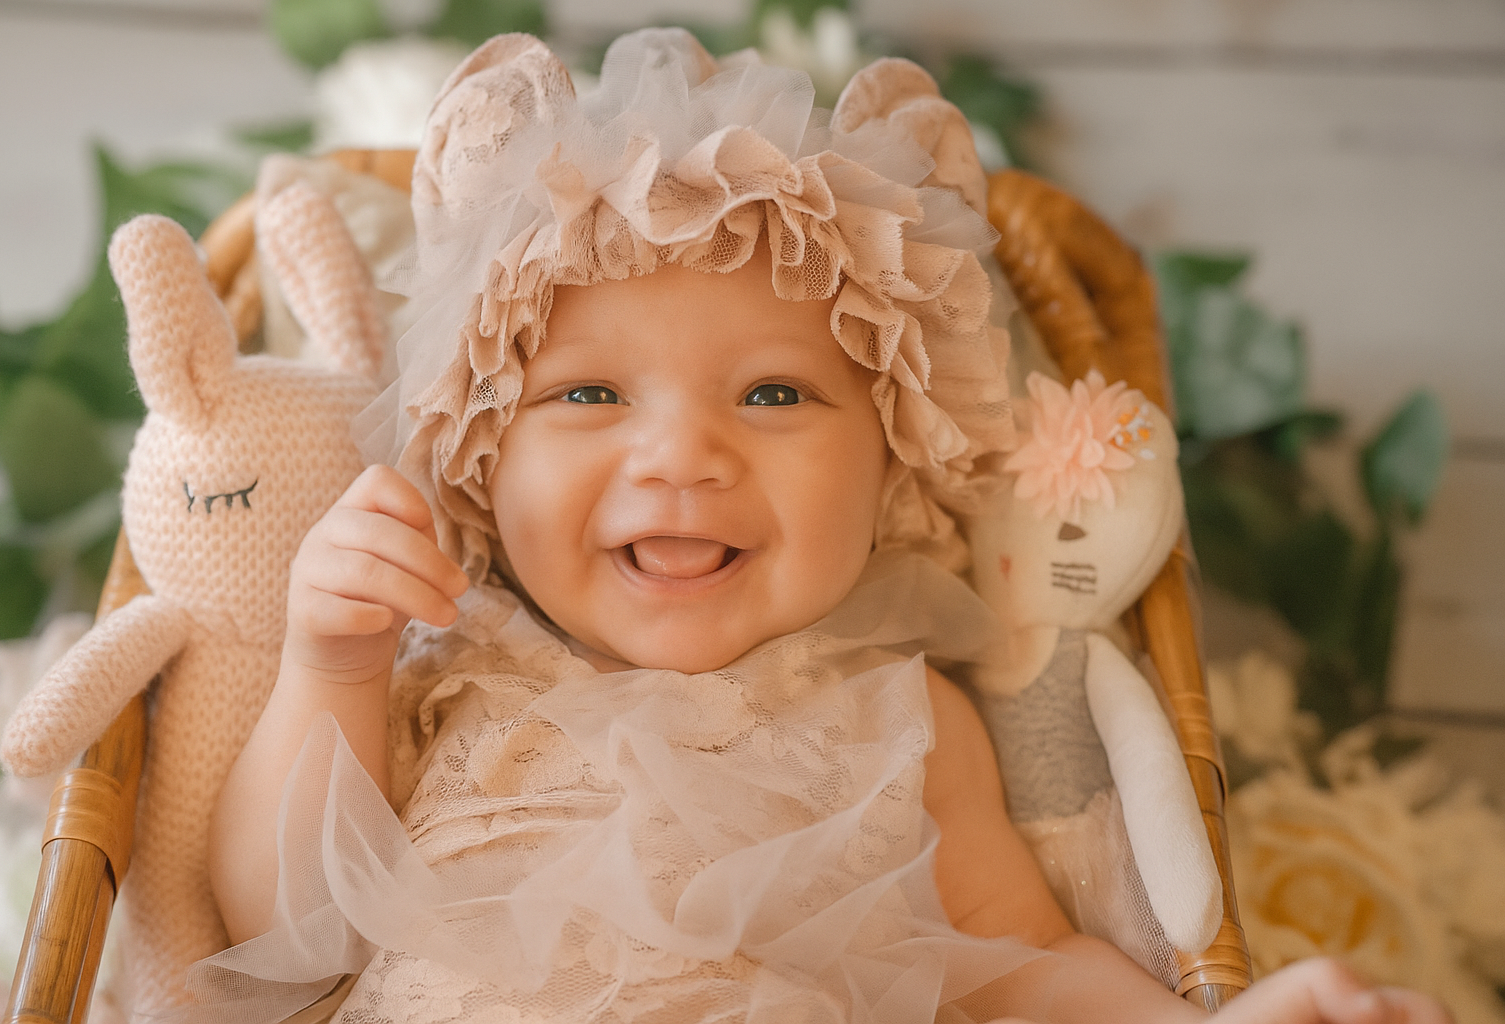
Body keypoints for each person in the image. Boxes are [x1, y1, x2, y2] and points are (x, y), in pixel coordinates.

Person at [202, 28, 1450, 1024]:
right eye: (588, 394)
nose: (685, 452)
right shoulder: (445, 662)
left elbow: (1024, 966)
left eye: (775, 393)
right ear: (480, 452)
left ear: (893, 460)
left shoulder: (905, 716)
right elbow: (280, 933)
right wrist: (332, 665)